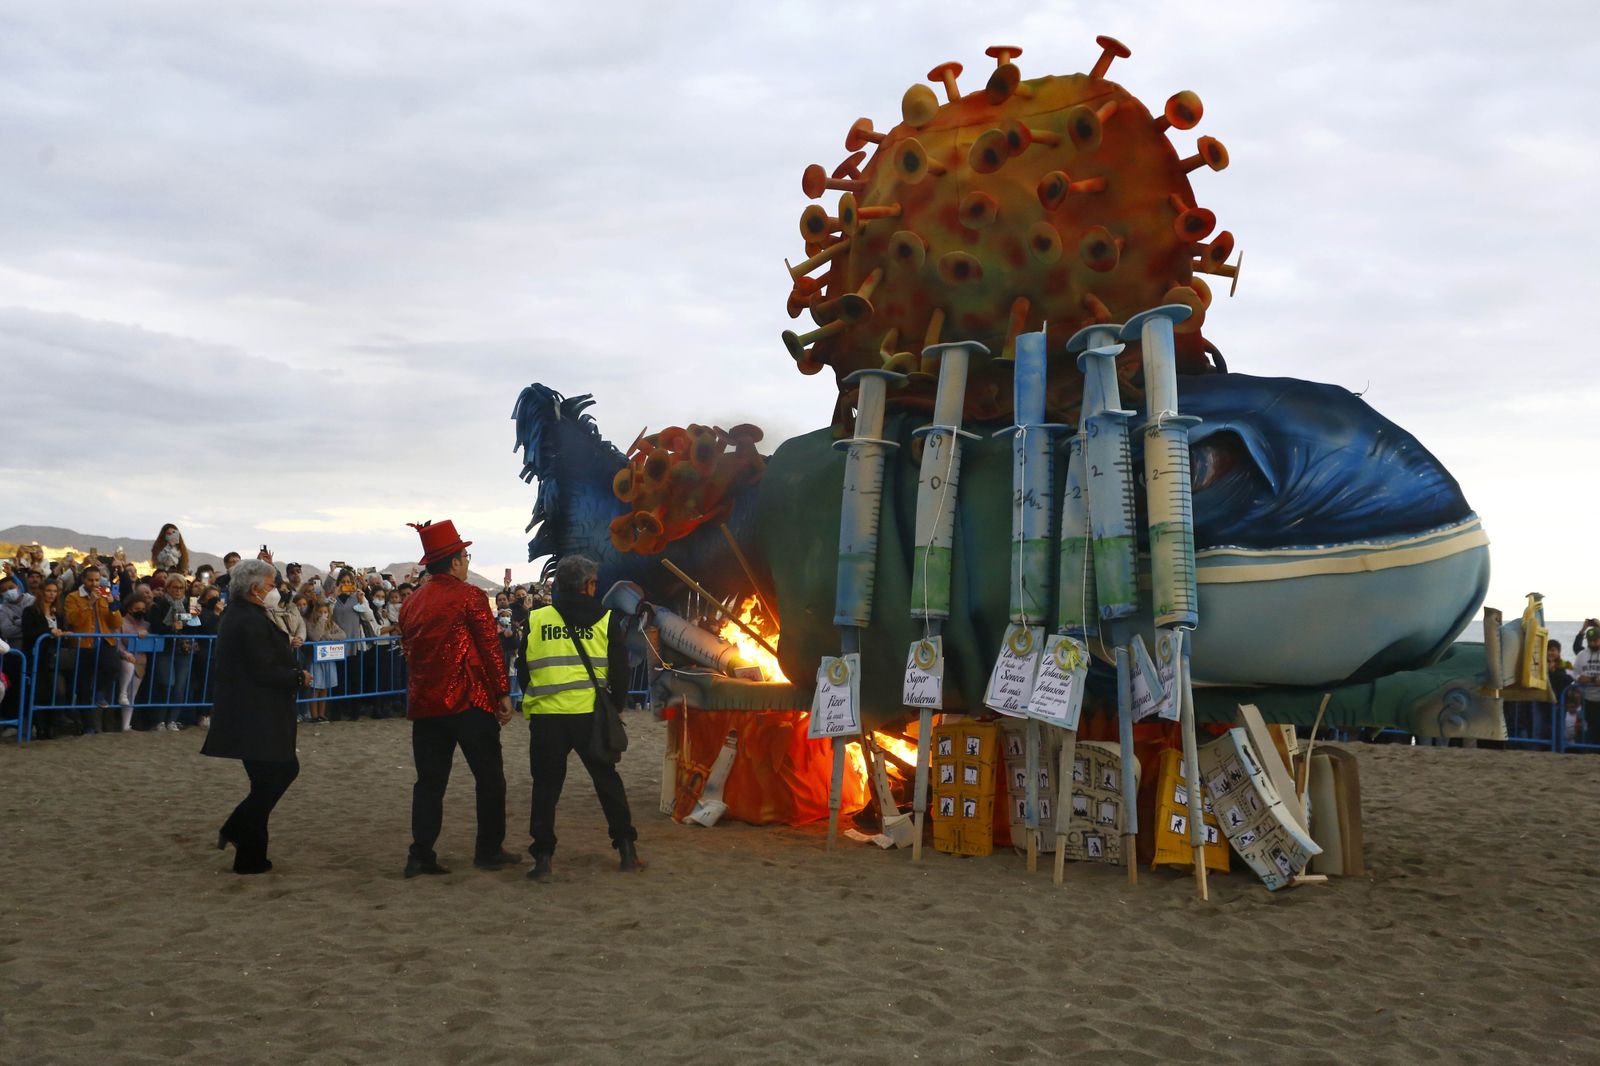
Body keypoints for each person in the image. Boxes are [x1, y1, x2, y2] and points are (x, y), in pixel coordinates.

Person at [397, 520, 520, 879]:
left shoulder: (411, 602)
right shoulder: (469, 596)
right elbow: (490, 648)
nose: (467, 562)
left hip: (425, 705)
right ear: (453, 562)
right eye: (465, 556)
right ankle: (488, 850)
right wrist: (502, 693)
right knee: (490, 779)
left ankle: (420, 853)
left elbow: (408, 651)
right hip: (469, 701)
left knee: (430, 782)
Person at [519, 554, 641, 882]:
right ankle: (627, 849)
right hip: (590, 716)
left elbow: (522, 670)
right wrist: (615, 706)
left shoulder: (537, 619)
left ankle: (543, 857)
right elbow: (619, 670)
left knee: (545, 788)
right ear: (589, 585)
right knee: (607, 782)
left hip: (547, 718)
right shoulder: (605, 618)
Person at [202, 558, 311, 875]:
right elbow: (262, 668)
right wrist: (296, 677)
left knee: (266, 780)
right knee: (282, 771)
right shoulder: (247, 619)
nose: (276, 590)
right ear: (254, 589)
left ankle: (250, 856)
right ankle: (236, 828)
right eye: (271, 585)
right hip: (254, 714)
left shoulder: (247, 614)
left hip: (254, 712)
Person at [1572, 626, 1600, 747]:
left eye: (1596, 640)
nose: (1593, 642)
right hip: (1588, 699)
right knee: (1592, 726)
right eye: (1591, 640)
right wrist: (1580, 678)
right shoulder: (1581, 655)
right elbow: (1575, 673)